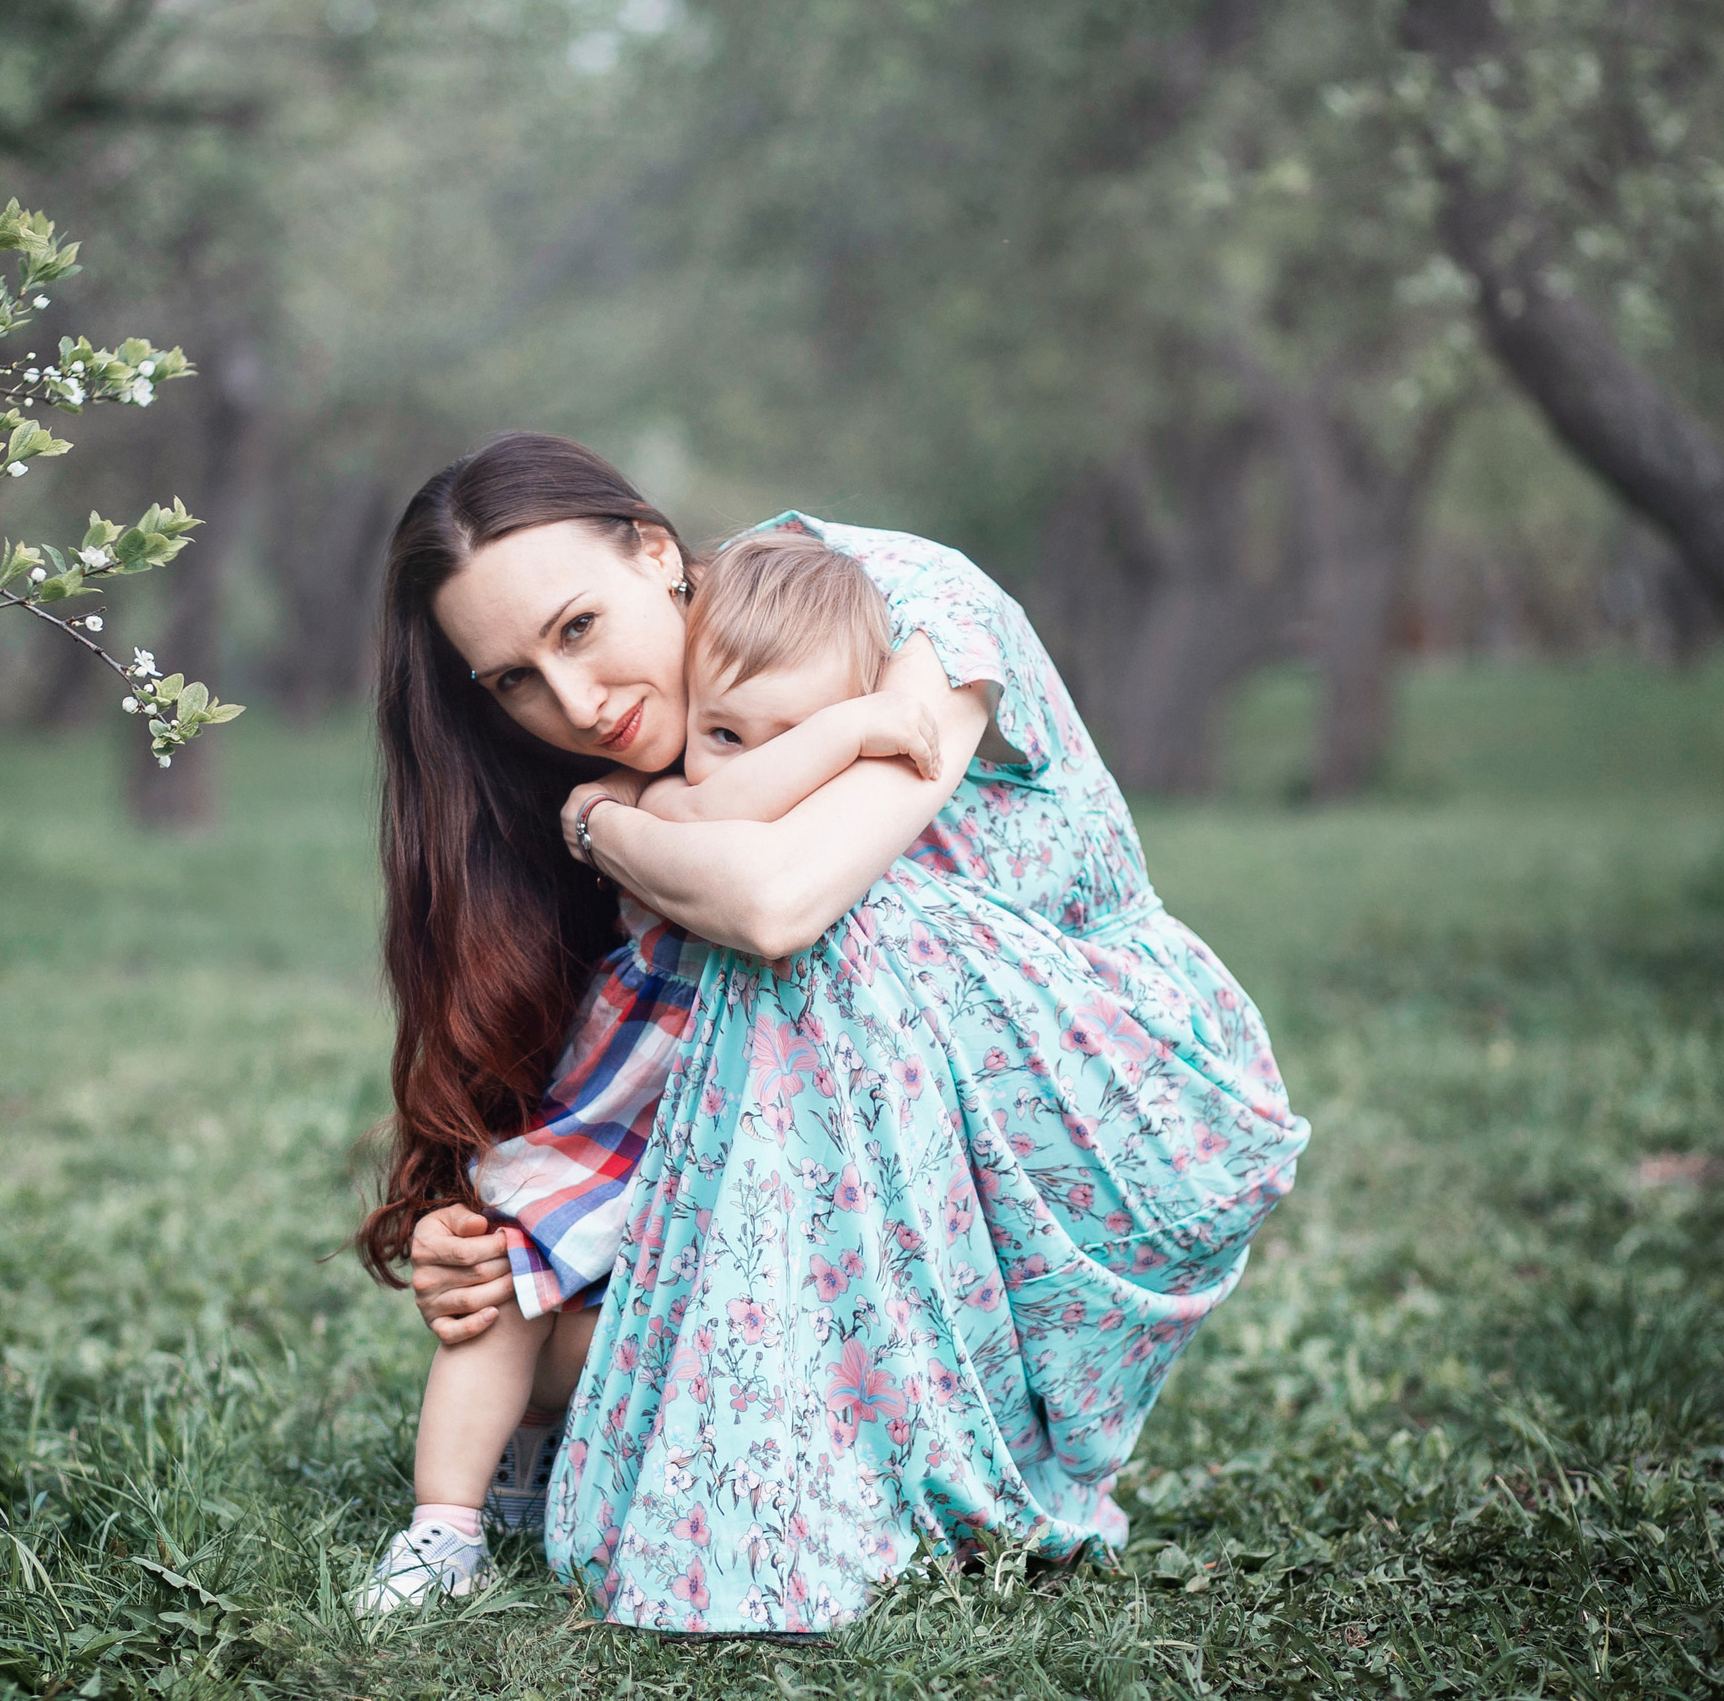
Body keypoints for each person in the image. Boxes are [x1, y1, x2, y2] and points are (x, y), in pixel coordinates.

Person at [362, 433, 1310, 1633]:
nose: (575, 703)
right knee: (539, 1300)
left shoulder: (898, 607)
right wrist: (474, 1240)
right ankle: (532, 1449)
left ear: (656, 551)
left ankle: (855, 1461)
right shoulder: (616, 764)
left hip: (1106, 1078)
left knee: (834, 924)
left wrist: (601, 822)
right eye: (512, 681)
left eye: (578, 628)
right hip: (833, 1118)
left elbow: (774, 906)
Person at [357, 534, 947, 1613]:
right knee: (509, 1283)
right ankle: (444, 1526)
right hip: (622, 1117)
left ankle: (548, 1443)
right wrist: (852, 732)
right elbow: (733, 817)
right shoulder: (658, 796)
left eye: (578, 628)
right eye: (721, 731)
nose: (734, 757)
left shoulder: (842, 810)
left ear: (658, 559)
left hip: (737, 1132)